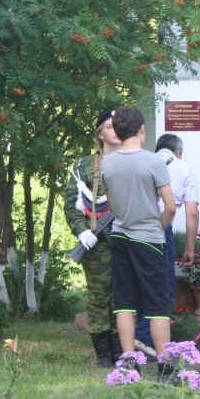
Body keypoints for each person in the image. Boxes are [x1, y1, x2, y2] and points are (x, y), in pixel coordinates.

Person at [100, 107, 177, 375]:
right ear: (142, 128)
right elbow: (170, 207)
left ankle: (129, 363)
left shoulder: (107, 162)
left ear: (118, 131)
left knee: (124, 303)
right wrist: (158, 228)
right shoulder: (153, 161)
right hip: (148, 239)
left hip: (119, 237)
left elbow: (112, 204)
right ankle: (165, 366)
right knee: (158, 305)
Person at [64, 109, 124, 367]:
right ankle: (103, 354)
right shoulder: (85, 166)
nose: (116, 130)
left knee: (122, 298)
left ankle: (122, 350)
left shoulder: (133, 160)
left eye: (119, 125)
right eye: (110, 126)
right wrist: (82, 231)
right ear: (99, 133)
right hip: (98, 243)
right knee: (99, 297)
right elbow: (72, 205)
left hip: (126, 240)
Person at [133, 133, 199, 358]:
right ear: (178, 152)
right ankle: (144, 337)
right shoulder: (183, 168)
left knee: (139, 283)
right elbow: (192, 212)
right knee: (164, 287)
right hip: (160, 226)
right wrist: (190, 248)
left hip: (132, 227)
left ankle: (140, 336)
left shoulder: (142, 162)